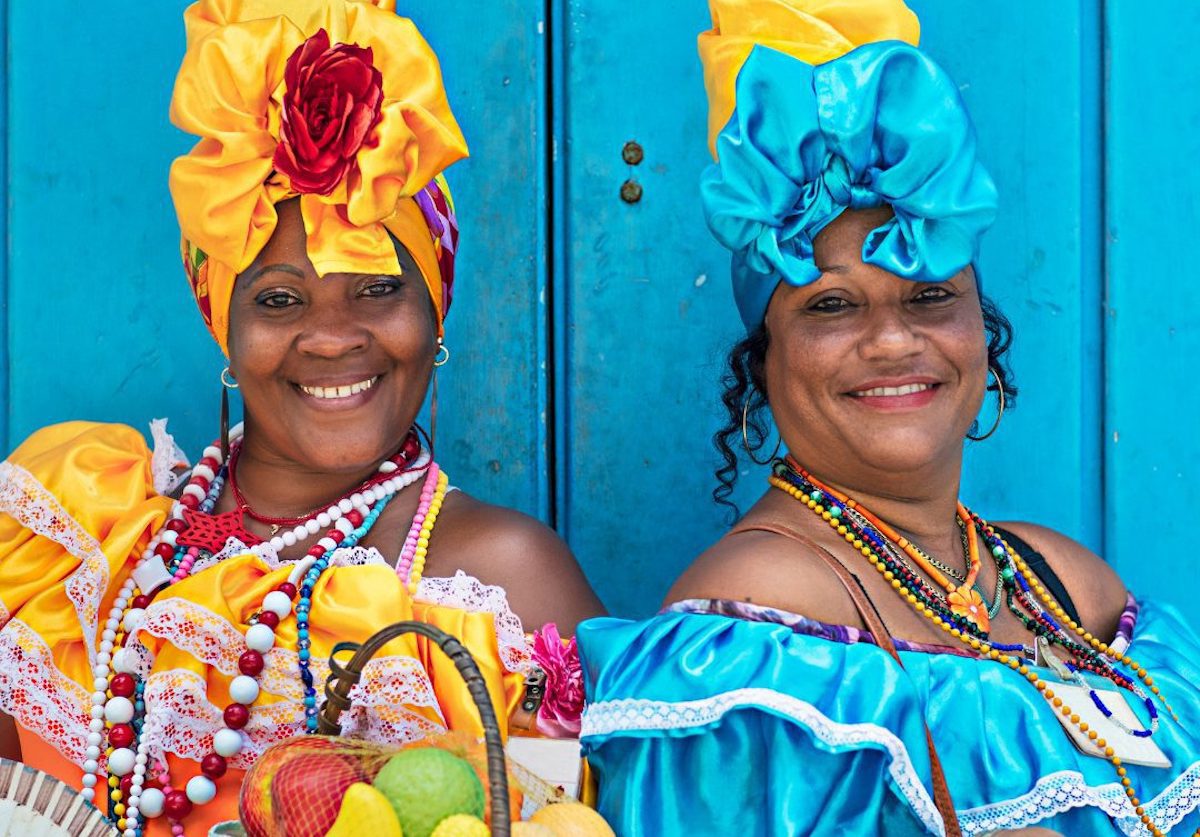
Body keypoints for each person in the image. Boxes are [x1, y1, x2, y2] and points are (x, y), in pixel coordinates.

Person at [576, 1, 1200, 835]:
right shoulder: (748, 626)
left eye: (930, 295)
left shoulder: (1059, 580)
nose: (893, 340)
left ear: (985, 332)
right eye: (833, 305)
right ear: (766, 357)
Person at [0, 1, 601, 834]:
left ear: (436, 315)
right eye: (280, 299)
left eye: (379, 289)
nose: (330, 339)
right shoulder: (78, 540)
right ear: (226, 325)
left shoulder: (505, 580)